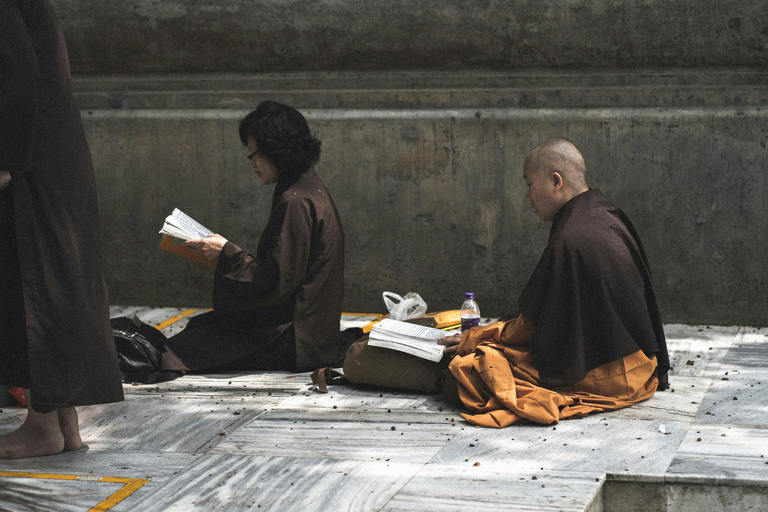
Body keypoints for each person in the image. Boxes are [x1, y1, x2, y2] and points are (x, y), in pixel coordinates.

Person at [342, 139, 669, 428]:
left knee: (473, 369)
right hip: (641, 364)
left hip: (604, 376)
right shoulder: (608, 214)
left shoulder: (570, 239)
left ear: (556, 181)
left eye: (529, 184)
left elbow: (531, 328)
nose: (528, 197)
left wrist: (475, 338)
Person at [0, 0, 124, 459]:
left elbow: (15, 73)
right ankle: (63, 426)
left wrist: (5, 159)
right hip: (50, 153)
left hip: (29, 162)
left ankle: (41, 427)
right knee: (51, 282)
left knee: (32, 286)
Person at [162, 101, 346, 373]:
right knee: (200, 328)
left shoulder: (295, 201)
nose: (252, 163)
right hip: (311, 333)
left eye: (254, 154)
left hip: (296, 341)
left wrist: (225, 252)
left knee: (176, 352)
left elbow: (274, 283)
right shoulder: (307, 187)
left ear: (276, 150)